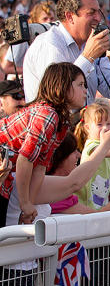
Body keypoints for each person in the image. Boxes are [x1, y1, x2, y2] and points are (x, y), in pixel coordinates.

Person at [0, 62, 87, 226]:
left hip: (5, 173)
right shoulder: (46, 115)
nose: (85, 91)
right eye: (80, 85)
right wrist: (25, 204)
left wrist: (29, 206)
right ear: (60, 87)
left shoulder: (60, 122)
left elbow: (40, 166)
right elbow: (25, 160)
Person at [22, 0, 110, 104]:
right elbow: (57, 94)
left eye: (99, 12)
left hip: (83, 121)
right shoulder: (49, 44)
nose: (98, 18)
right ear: (70, 16)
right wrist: (88, 57)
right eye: (91, 12)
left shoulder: (91, 42)